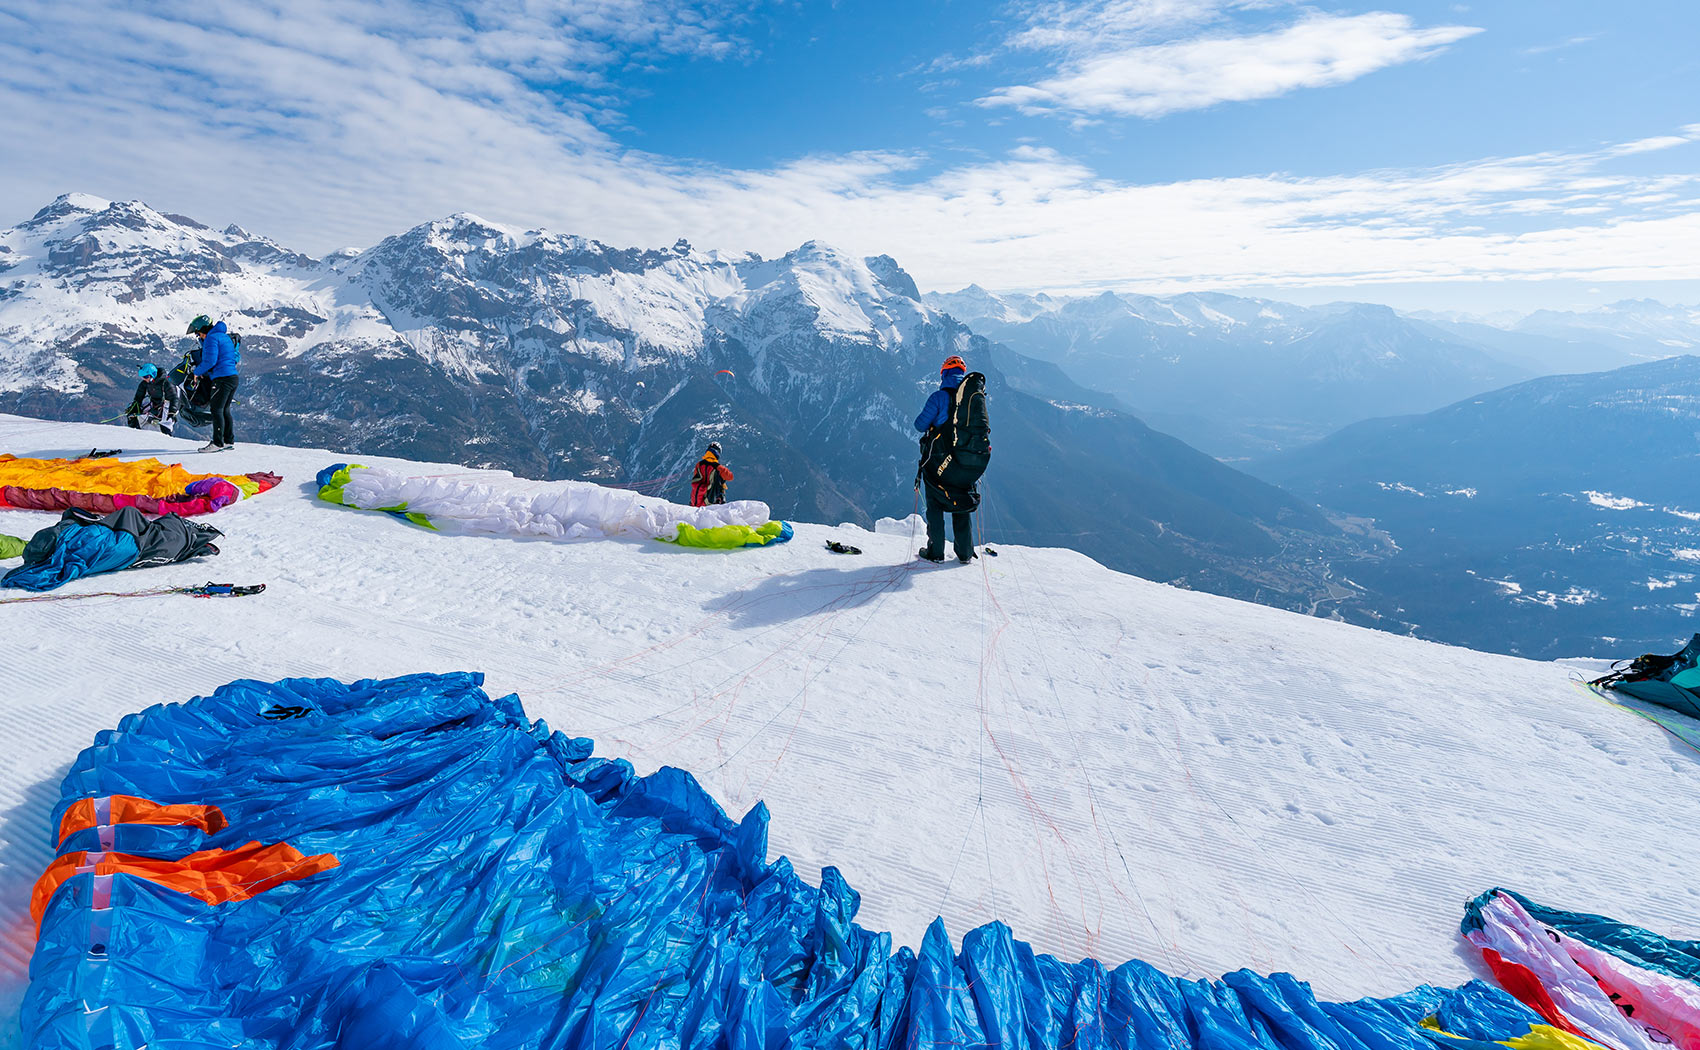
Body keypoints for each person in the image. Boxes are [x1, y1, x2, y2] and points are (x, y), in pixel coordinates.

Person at [914, 355, 983, 563]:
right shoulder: (972, 400)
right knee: (961, 499)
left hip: (940, 460)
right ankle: (964, 552)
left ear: (944, 374)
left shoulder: (938, 397)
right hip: (965, 460)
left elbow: (920, 425)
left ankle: (936, 552)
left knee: (935, 501)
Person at [186, 314, 240, 452]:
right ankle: (228, 440)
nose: (198, 336)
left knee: (216, 410)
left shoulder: (211, 338)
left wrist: (196, 373)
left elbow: (210, 361)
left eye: (197, 333)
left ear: (203, 329)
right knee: (225, 409)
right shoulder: (224, 336)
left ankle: (217, 443)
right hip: (232, 377)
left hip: (221, 379)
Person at [126, 363, 178, 435]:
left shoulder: (166, 383)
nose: (144, 379)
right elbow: (138, 397)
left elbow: (174, 398)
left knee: (166, 423)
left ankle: (166, 438)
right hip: (154, 403)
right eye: (143, 377)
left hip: (167, 404)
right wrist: (135, 407)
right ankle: (136, 433)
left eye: (146, 376)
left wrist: (172, 412)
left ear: (152, 374)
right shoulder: (145, 383)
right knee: (134, 416)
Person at [690, 441, 734, 507]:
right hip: (711, 501)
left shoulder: (699, 465)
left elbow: (696, 476)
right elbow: (730, 477)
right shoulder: (718, 468)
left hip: (696, 499)